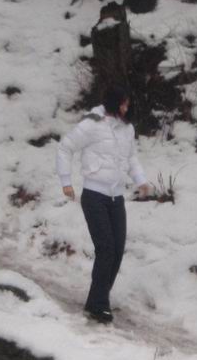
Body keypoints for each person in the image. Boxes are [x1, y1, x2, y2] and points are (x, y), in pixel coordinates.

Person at [56, 88, 151, 323]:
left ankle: (97, 298)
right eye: (123, 104)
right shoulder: (92, 124)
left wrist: (141, 180)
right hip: (94, 195)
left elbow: (131, 158)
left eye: (128, 104)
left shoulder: (127, 128)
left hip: (116, 197)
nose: (126, 108)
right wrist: (66, 182)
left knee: (117, 250)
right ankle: (99, 305)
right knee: (106, 248)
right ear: (113, 103)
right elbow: (65, 147)